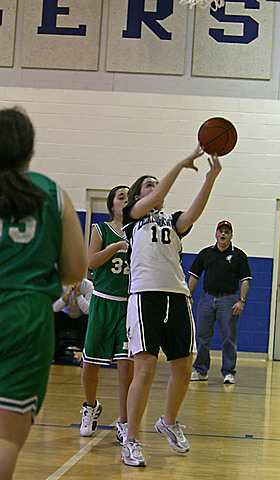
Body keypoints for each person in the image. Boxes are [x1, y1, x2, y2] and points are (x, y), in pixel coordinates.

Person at [120, 145, 222, 467]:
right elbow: (161, 191)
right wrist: (181, 163)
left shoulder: (172, 221)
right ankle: (132, 440)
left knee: (184, 366)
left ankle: (168, 421)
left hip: (176, 295)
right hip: (145, 296)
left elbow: (193, 213)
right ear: (138, 197)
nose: (155, 187)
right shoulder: (133, 218)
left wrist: (211, 177)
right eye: (148, 185)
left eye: (155, 184)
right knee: (146, 368)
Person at [0, 107, 87, 480]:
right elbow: (75, 270)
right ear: (30, 151)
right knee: (5, 440)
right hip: (26, 315)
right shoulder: (53, 193)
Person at [80, 185, 134, 446]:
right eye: (120, 197)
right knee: (90, 363)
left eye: (128, 197)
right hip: (103, 302)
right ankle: (90, 407)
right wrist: (117, 247)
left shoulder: (140, 232)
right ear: (112, 205)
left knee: (126, 367)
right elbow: (91, 262)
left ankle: (124, 421)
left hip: (129, 305)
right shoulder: (100, 229)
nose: (125, 201)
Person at [188, 220, 252, 385]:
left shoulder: (239, 256)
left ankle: (229, 372)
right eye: (220, 231)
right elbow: (194, 275)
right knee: (202, 337)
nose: (223, 234)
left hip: (228, 300)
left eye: (226, 232)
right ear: (215, 234)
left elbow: (245, 280)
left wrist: (241, 301)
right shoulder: (205, 254)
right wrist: (188, 295)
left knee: (229, 338)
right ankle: (201, 371)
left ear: (231, 236)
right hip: (206, 299)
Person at [52, 279, 93, 362]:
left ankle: (87, 354)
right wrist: (67, 293)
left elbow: (88, 310)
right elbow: (55, 308)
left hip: (81, 319)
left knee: (89, 319)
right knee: (55, 317)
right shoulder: (60, 284)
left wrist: (79, 294)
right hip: (65, 317)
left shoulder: (88, 285)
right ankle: (56, 354)